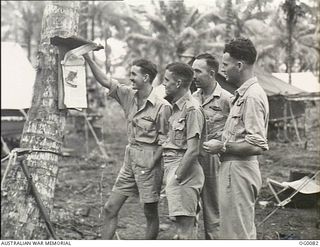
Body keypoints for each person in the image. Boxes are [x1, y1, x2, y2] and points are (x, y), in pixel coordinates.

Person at [83, 54, 172, 239]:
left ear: (146, 78)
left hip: (150, 162)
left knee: (150, 213)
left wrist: (151, 163)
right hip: (130, 159)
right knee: (109, 208)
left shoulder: (162, 106)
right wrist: (88, 58)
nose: (130, 78)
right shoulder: (128, 95)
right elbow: (105, 81)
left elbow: (166, 141)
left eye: (133, 74)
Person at [203, 37, 269, 239]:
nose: (222, 70)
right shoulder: (243, 95)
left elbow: (257, 145)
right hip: (234, 169)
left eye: (225, 64)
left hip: (239, 170)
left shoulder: (251, 96)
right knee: (234, 231)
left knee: (237, 235)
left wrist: (221, 146)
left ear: (239, 65)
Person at [161, 62, 205, 239]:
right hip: (175, 169)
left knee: (184, 234)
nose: (163, 83)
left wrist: (177, 177)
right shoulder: (175, 107)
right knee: (181, 233)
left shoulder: (192, 109)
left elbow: (193, 150)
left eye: (166, 80)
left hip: (184, 172)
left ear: (178, 83)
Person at [191, 53, 232, 239]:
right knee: (190, 209)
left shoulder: (227, 99)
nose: (194, 76)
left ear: (212, 73)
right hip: (192, 158)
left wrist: (224, 145)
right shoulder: (192, 97)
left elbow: (237, 131)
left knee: (212, 209)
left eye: (198, 71)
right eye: (192, 71)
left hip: (214, 161)